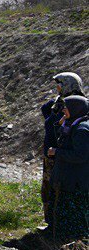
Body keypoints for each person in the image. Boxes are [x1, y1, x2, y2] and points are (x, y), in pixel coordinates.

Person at [40, 72, 85, 226]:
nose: (57, 88)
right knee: (47, 191)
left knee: (57, 192)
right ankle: (50, 224)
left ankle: (57, 226)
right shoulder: (59, 104)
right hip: (52, 153)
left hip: (63, 156)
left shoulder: (77, 106)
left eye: (60, 84)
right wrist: (57, 101)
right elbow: (45, 109)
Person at [47, 95, 89, 242]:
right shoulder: (73, 124)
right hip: (69, 179)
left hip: (76, 182)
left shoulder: (82, 130)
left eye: (67, 107)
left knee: (75, 216)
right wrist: (60, 125)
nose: (64, 109)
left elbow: (80, 155)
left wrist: (57, 153)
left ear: (76, 109)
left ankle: (74, 247)